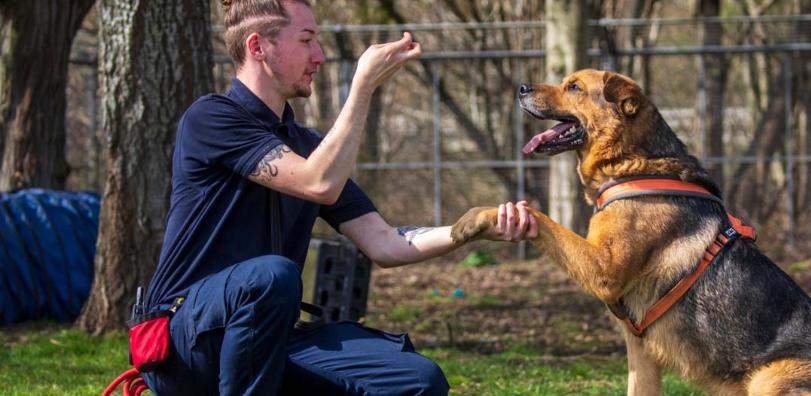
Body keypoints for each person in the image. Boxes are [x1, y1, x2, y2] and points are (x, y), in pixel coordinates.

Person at [140, 0, 537, 394]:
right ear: (258, 47)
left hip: (266, 337)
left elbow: (384, 243)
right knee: (271, 276)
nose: (321, 56)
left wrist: (471, 228)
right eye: (307, 40)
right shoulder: (211, 117)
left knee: (418, 380)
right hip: (186, 341)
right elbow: (317, 183)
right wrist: (360, 88)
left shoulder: (309, 147)